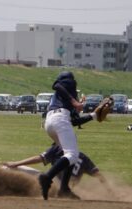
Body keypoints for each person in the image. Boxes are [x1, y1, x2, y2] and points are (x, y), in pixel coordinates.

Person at [38, 71, 84, 200]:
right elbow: (57, 85)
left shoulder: (58, 97)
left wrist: (93, 116)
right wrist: (74, 101)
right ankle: (47, 177)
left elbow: (74, 121)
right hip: (60, 119)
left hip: (50, 122)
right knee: (73, 155)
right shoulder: (68, 82)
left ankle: (64, 188)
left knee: (69, 154)